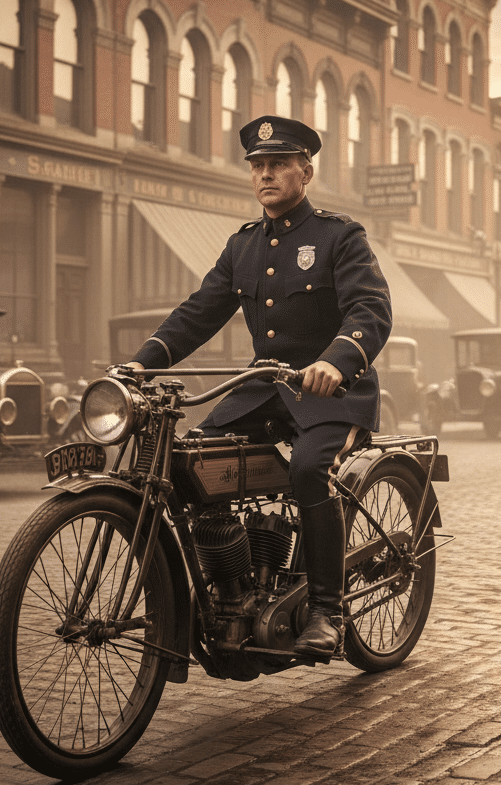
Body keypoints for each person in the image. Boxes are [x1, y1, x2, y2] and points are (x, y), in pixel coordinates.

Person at [128, 115, 392, 659]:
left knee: (307, 470)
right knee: (189, 462)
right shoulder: (243, 246)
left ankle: (327, 609)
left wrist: (338, 362)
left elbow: (370, 310)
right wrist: (141, 364)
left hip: (331, 396)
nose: (266, 174)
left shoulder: (339, 237)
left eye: (278, 164)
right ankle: (232, 583)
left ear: (306, 172)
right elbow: (200, 312)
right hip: (263, 390)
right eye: (258, 166)